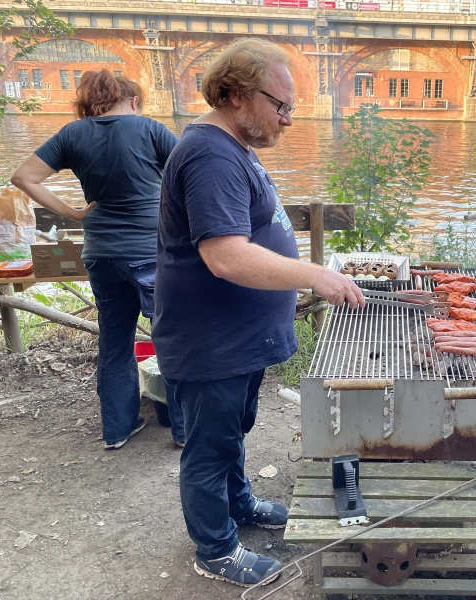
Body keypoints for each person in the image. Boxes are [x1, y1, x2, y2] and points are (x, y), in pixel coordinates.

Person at [153, 38, 365, 588]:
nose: (288, 119)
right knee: (209, 446)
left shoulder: (232, 148)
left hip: (237, 339)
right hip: (211, 341)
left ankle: (240, 504)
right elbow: (224, 256)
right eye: (280, 105)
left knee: (235, 429)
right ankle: (215, 548)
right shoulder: (208, 154)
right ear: (234, 95)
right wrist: (315, 275)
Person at [10, 70, 185, 450]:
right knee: (172, 337)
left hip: (101, 253)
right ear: (133, 99)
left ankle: (117, 430)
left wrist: (73, 213)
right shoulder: (149, 129)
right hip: (149, 253)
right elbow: (193, 169)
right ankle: (184, 430)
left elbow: (23, 176)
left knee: (114, 341)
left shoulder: (73, 133)